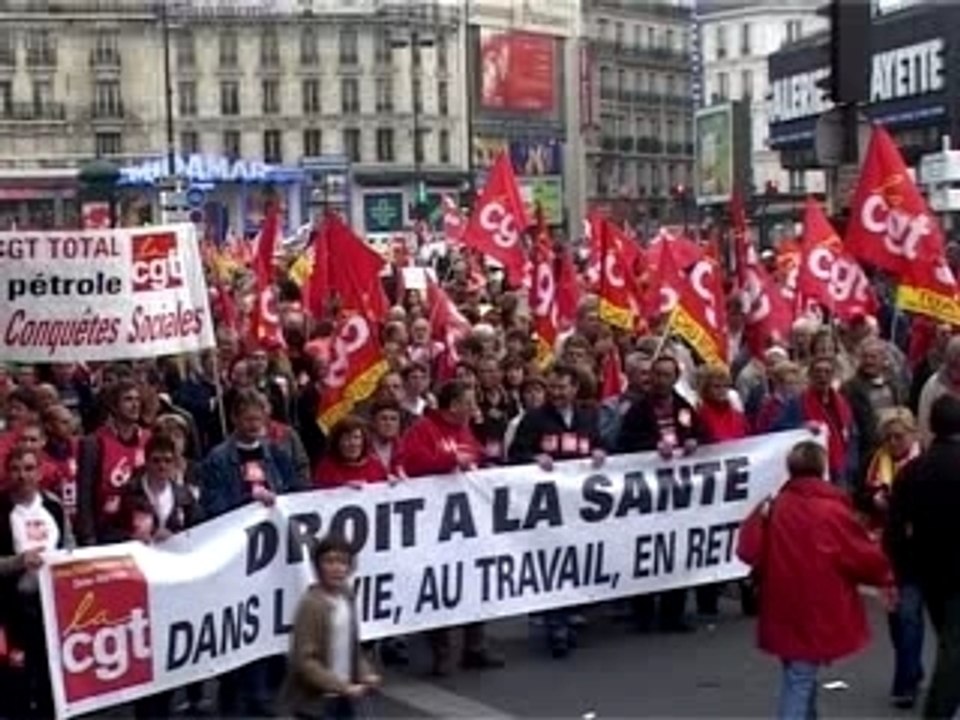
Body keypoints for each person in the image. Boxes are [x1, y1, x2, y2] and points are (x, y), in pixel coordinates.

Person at [737, 441, 893, 720]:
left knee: (797, 671)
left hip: (780, 600)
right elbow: (860, 555)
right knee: (800, 678)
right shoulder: (832, 511)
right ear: (822, 468)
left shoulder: (774, 506)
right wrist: (887, 578)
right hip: (819, 605)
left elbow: (748, 551)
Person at [395, 380, 503, 676]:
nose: (474, 407)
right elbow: (412, 463)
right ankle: (441, 651)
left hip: (465, 521)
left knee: (474, 578)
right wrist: (450, 460)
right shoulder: (423, 429)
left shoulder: (464, 429)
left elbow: (477, 454)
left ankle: (474, 647)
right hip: (434, 522)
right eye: (469, 402)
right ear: (453, 405)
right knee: (440, 583)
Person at [617, 353, 704, 633]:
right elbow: (623, 444)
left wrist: (694, 442)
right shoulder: (638, 410)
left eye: (666, 375)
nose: (660, 380)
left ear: (675, 378)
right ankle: (643, 613)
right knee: (645, 550)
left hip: (677, 492)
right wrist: (652, 446)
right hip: (647, 491)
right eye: (656, 374)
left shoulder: (685, 408)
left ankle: (672, 613)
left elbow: (701, 435)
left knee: (676, 549)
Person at [887, 394, 960, 717]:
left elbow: (895, 527)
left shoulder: (913, 471)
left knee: (947, 635)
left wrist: (901, 567)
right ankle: (940, 709)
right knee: (953, 644)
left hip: (927, 567)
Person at [0, 447, 70, 719]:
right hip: (13, 608)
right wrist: (18, 562)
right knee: (16, 681)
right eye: (15, 469)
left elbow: (71, 545)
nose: (22, 476)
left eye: (29, 469)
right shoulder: (1, 509)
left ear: (40, 472)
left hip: (53, 607)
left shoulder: (54, 506)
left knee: (50, 678)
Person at [282, 535, 381, 720]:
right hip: (317, 703)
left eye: (343, 562)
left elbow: (352, 648)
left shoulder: (347, 597)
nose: (337, 568)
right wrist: (341, 686)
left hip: (344, 699)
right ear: (318, 566)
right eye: (329, 561)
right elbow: (305, 661)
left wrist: (365, 673)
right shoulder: (311, 605)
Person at [76, 379, 150, 546]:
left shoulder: (148, 439)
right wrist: (88, 537)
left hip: (142, 528)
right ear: (114, 406)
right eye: (128, 399)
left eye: (137, 399)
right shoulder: (94, 442)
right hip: (106, 530)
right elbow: (85, 495)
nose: (135, 405)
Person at [313, 416, 389, 489]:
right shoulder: (327, 468)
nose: (353, 444)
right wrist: (344, 489)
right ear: (337, 442)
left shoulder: (375, 465)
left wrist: (391, 485)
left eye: (356, 437)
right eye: (346, 438)